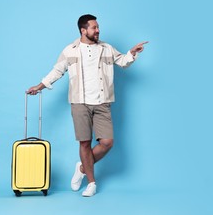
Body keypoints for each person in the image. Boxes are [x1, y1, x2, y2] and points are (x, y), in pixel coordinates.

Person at [27, 14, 147, 197]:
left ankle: (82, 167)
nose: (98, 30)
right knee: (84, 143)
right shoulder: (70, 50)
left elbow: (123, 62)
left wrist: (132, 53)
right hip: (80, 102)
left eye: (98, 27)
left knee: (107, 143)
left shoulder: (107, 48)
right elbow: (57, 70)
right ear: (83, 30)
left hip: (102, 101)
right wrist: (40, 86)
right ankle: (91, 183)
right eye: (94, 27)